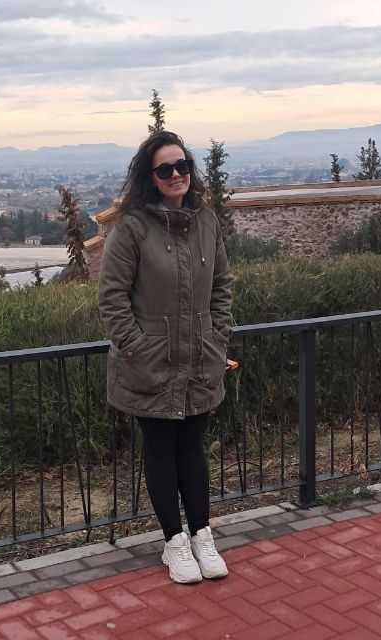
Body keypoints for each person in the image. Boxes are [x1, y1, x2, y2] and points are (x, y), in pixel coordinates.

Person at [98, 130, 233, 584]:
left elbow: (222, 287)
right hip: (150, 364)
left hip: (199, 358)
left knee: (193, 450)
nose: (176, 174)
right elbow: (112, 299)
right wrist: (138, 349)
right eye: (165, 169)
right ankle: (174, 542)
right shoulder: (132, 228)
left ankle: (202, 535)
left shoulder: (206, 222)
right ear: (150, 177)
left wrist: (217, 336)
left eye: (182, 166)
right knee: (160, 452)